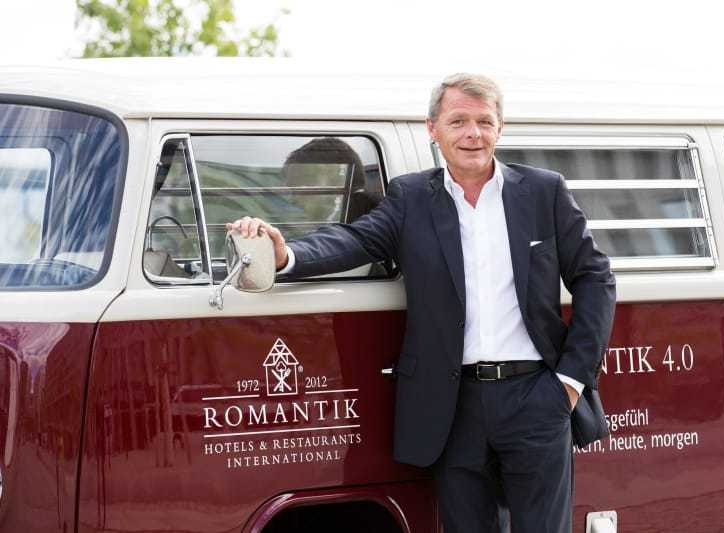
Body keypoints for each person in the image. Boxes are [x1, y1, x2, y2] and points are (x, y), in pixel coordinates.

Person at [228, 73, 616, 533]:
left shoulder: (543, 191)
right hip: (452, 406)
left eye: (484, 121)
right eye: (458, 121)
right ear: (433, 129)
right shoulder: (411, 197)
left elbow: (595, 276)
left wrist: (569, 382)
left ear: (500, 127)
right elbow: (355, 240)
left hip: (536, 396)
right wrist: (284, 255)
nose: (473, 134)